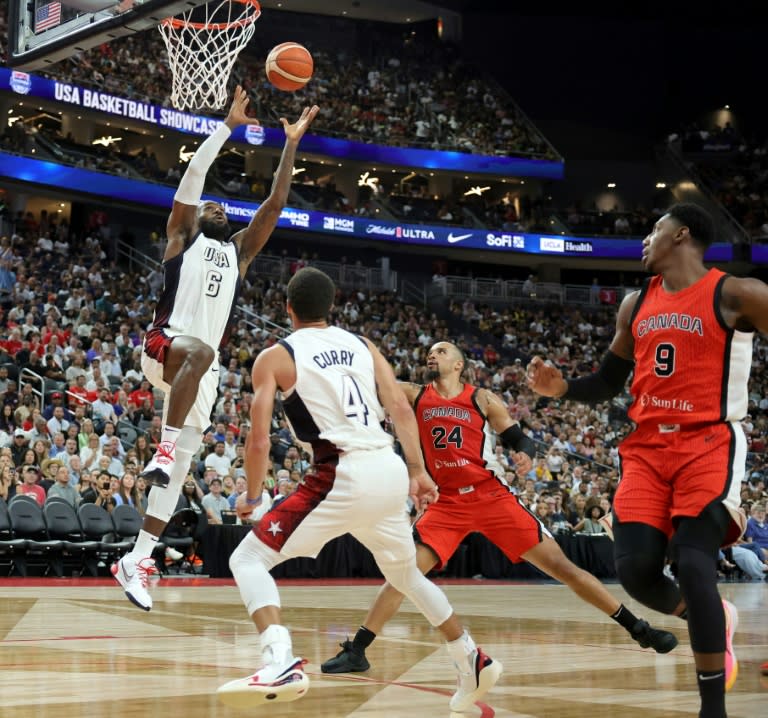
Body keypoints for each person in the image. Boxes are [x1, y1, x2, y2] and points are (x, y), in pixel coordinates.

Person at [217, 268, 502, 711]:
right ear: (331, 308)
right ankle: (470, 657)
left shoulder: (275, 357)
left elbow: (258, 440)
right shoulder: (363, 346)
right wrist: (417, 471)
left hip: (341, 472)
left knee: (248, 558)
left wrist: (254, 497)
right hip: (388, 470)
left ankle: (279, 659)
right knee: (405, 575)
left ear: (288, 308)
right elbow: (400, 411)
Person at [526, 203, 768, 718]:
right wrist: (562, 387)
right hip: (647, 447)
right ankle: (711, 618)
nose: (644, 239)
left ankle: (711, 709)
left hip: (708, 442)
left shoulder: (738, 293)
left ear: (681, 235)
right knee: (635, 571)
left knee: (693, 560)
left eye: (653, 229)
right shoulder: (635, 304)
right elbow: (609, 381)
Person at [322, 340, 676, 676]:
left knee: (562, 567)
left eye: (441, 352)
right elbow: (373, 380)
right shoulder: (414, 394)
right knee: (403, 574)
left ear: (459, 364)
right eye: (430, 352)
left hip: (489, 495)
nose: (433, 356)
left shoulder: (482, 398)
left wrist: (524, 453)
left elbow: (517, 437)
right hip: (446, 502)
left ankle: (638, 628)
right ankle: (358, 651)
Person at [111, 87, 319, 611]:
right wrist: (227, 127)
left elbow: (274, 205)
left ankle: (136, 558)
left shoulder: (240, 252)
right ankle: (161, 447)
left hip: (197, 377)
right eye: (210, 203)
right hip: (165, 347)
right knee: (201, 355)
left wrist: (290, 145)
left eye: (223, 205)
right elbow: (191, 183)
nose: (216, 205)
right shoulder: (182, 236)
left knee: (179, 472)